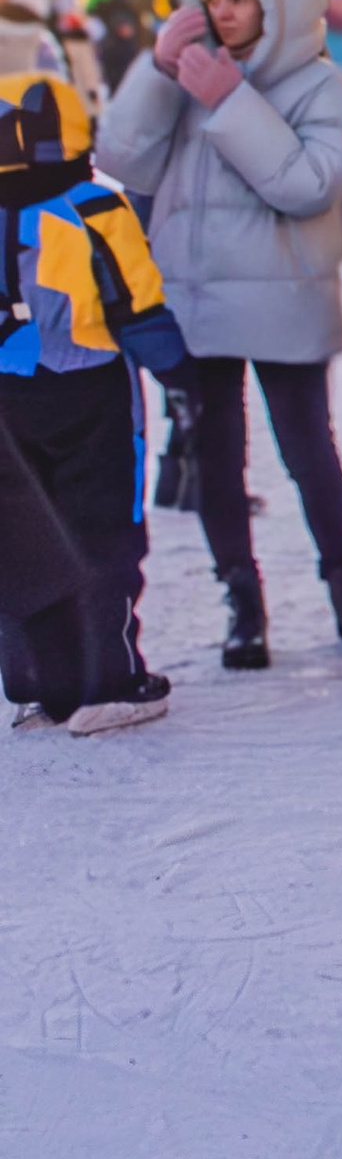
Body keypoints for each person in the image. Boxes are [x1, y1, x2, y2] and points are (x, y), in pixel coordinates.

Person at [97, 0, 342, 670]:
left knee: (307, 449)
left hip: (283, 297)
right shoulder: (190, 67)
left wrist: (229, 100)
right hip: (195, 295)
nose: (221, 12)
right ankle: (243, 603)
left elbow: (308, 185)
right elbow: (122, 160)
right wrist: (156, 70)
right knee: (216, 456)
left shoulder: (321, 86)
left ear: (278, 5)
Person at [0, 67, 189, 733]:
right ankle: (107, 680)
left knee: (21, 536)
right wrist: (182, 378)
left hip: (6, 398)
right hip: (90, 390)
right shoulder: (96, 205)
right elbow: (137, 306)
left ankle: (32, 680)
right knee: (104, 529)